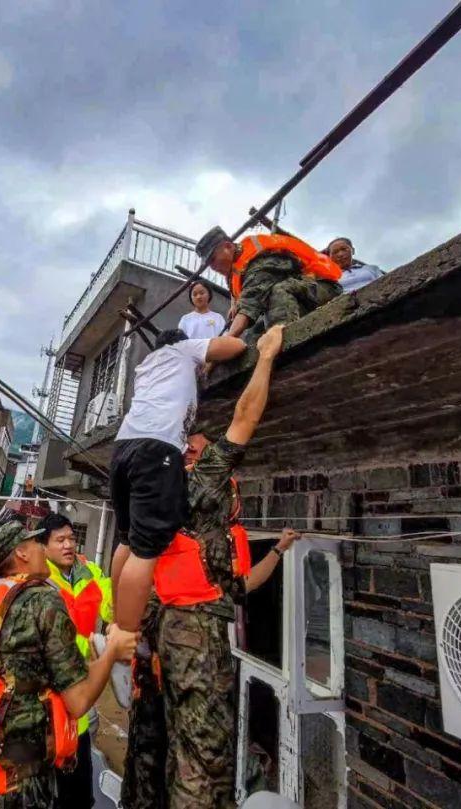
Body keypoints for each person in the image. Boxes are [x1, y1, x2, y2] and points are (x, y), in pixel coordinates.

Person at [150, 323, 296, 809]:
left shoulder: (171, 496)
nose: (195, 454)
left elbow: (240, 584)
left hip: (181, 629)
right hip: (196, 636)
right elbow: (246, 416)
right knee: (205, 763)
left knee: (185, 748)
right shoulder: (198, 485)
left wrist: (277, 550)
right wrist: (268, 357)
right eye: (192, 450)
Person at [0, 521, 137, 809]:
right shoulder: (41, 597)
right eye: (37, 543)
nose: (44, 547)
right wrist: (113, 650)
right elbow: (78, 701)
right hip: (14, 783)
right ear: (22, 553)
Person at [108, 329, 245, 648]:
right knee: (147, 551)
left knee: (126, 540)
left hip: (122, 449)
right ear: (179, 342)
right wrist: (203, 358)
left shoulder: (146, 366)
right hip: (156, 449)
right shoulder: (183, 349)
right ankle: (124, 638)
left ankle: (115, 621)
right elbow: (236, 346)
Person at [39, 513, 113, 808]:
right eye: (60, 540)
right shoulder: (36, 578)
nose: (69, 545)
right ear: (43, 546)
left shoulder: (90, 572)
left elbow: (112, 606)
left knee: (79, 795)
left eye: (72, 538)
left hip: (77, 698)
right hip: (43, 701)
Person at [195, 226, 343, 340]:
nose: (212, 267)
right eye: (209, 264)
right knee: (253, 333)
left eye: (213, 259)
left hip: (322, 286)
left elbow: (249, 308)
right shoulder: (234, 266)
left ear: (228, 247)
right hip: (298, 296)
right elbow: (237, 292)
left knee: (278, 292)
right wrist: (234, 304)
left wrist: (223, 342)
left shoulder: (258, 259)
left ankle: (287, 345)